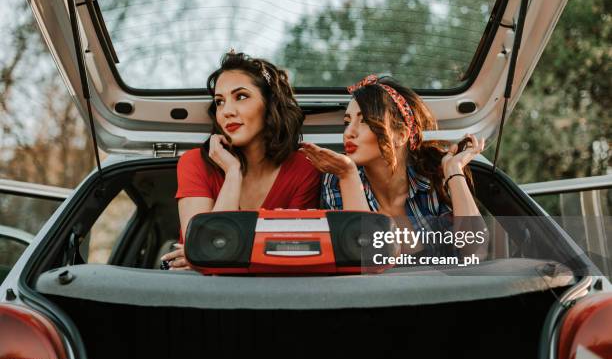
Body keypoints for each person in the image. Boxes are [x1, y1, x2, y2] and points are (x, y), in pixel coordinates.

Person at [162, 51, 320, 269]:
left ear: (270, 103)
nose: (226, 111)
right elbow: (205, 251)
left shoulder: (303, 168)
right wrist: (233, 172)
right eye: (219, 102)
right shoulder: (194, 163)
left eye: (241, 96)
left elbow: (296, 255)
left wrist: (214, 251)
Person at [300, 74, 487, 258]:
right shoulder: (337, 178)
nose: (349, 132)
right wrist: (348, 175)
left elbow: (476, 251)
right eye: (347, 122)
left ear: (401, 135)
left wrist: (454, 171)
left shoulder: (434, 178)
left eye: (364, 121)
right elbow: (365, 258)